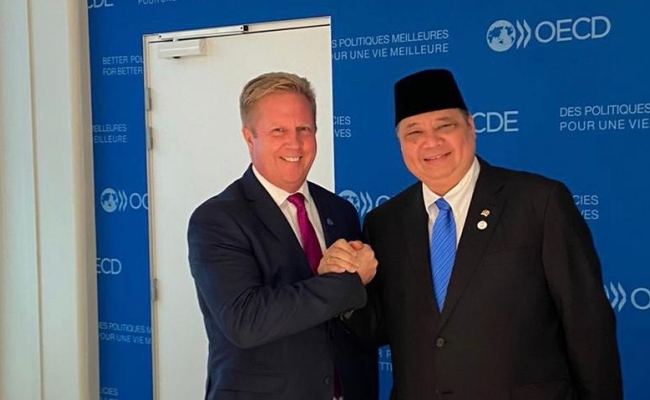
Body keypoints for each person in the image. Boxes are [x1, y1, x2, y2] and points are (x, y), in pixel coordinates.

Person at [342, 69, 623, 399]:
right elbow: (378, 327)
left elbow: (587, 324)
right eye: (414, 132)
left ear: (471, 127)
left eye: (444, 126)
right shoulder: (385, 222)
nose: (430, 142)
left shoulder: (539, 203)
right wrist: (344, 286)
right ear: (401, 143)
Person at [187, 71, 378, 400]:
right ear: (249, 138)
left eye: (304, 129)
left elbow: (359, 316)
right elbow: (246, 321)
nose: (295, 143)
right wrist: (345, 283)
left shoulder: (340, 211)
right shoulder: (217, 219)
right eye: (278, 131)